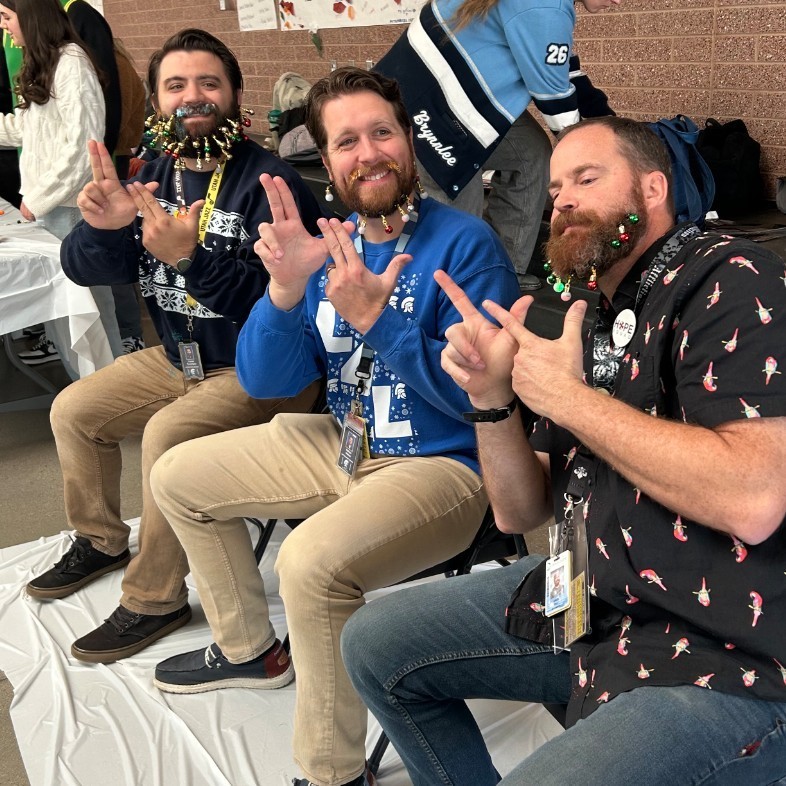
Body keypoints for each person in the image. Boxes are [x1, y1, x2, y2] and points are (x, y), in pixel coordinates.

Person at [342, 116, 786, 785]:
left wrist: (567, 397)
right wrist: (493, 400)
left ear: (654, 189)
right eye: (554, 189)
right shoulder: (580, 310)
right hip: (593, 601)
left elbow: (754, 498)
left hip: (726, 650)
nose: (563, 201)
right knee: (375, 644)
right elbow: (521, 512)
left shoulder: (732, 279)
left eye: (587, 177)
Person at [148, 67, 519, 786]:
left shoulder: (465, 246)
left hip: (444, 467)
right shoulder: (328, 247)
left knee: (309, 564)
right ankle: (250, 648)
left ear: (409, 142)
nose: (369, 152)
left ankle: (330, 771)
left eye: (382, 132)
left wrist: (379, 320)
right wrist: (285, 291)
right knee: (175, 475)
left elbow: (478, 400)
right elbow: (266, 381)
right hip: (342, 441)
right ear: (326, 157)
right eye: (346, 140)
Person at [24, 29, 325, 666]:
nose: (194, 97)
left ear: (236, 95)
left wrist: (191, 259)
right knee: (74, 411)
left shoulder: (268, 184)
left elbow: (289, 304)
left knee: (167, 436)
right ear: (159, 100)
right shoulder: (151, 175)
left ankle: (155, 597)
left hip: (258, 367)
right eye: (177, 85)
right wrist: (103, 230)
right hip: (176, 359)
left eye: (209, 83)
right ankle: (102, 540)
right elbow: (86, 270)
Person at [374, 0, 618, 289]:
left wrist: (613, 126)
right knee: (461, 205)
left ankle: (502, 271)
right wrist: (599, 156)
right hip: (430, 110)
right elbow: (554, 100)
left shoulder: (548, 7)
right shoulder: (544, 7)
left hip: (415, 89)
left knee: (530, 154)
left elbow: (563, 71)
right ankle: (457, 288)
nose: (617, 2)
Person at [0, 0, 123, 368]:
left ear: (31, 17)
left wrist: (37, 198)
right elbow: (28, 129)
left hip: (71, 210)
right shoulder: (45, 63)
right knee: (65, 321)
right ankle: (85, 408)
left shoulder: (72, 63)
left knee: (91, 321)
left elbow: (82, 148)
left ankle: (111, 411)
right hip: (52, 209)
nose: (4, 27)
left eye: (6, 17)